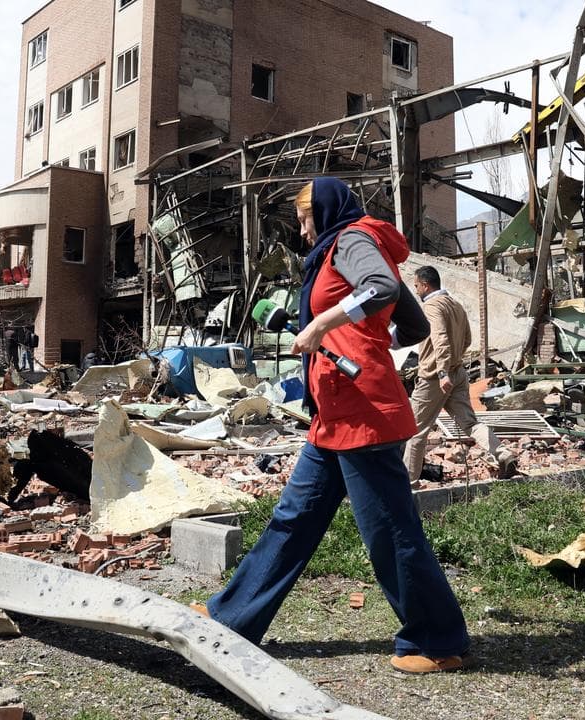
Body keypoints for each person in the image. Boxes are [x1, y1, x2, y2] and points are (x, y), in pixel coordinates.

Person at [202, 177, 470, 674]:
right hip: (334, 413)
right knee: (292, 520)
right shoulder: (336, 251)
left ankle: (438, 642)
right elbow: (412, 325)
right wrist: (367, 337)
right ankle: (231, 617)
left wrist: (323, 325)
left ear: (325, 212)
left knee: (389, 530)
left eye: (305, 220)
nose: (304, 231)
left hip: (364, 412)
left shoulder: (351, 240)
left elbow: (384, 288)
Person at [403, 266, 516, 481]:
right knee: (470, 424)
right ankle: (503, 453)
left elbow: (440, 338)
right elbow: (467, 340)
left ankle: (408, 483)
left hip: (435, 378)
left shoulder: (432, 306)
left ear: (425, 285)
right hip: (458, 374)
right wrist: (454, 362)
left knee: (415, 431)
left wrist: (443, 371)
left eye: (416, 286)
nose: (416, 290)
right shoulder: (455, 304)